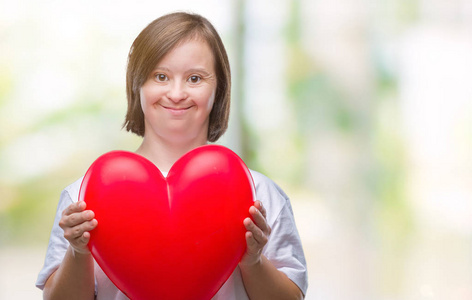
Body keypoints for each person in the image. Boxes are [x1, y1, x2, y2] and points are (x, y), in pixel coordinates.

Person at [36, 12, 308, 300]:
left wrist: (251, 259)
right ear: (137, 85)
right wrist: (79, 251)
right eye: (161, 76)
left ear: (219, 89)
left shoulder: (261, 196)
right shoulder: (85, 197)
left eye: (194, 78)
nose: (176, 94)